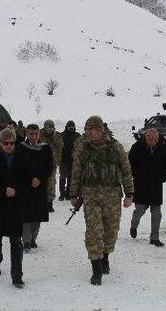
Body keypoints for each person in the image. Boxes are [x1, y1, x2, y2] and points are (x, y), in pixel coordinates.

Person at [71, 116, 134, 285]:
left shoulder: (115, 147)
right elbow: (76, 172)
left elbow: (126, 171)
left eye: (91, 129)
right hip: (91, 196)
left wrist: (129, 193)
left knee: (110, 231)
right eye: (86, 129)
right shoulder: (82, 148)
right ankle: (96, 268)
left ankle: (105, 256)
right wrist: (73, 194)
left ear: (100, 130)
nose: (88, 132)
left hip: (112, 196)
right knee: (94, 232)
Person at [0, 128, 27, 288]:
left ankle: (17, 275)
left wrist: (17, 191)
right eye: (6, 143)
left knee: (16, 241)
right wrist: (2, 190)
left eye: (12, 143)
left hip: (15, 205)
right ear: (0, 143)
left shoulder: (22, 158)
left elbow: (26, 179)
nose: (9, 146)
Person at [128, 128, 166, 247]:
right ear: (145, 137)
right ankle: (133, 226)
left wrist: (163, 177)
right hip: (141, 185)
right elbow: (130, 163)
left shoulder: (161, 148)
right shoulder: (137, 147)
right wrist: (136, 176)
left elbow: (165, 165)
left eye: (155, 139)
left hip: (156, 185)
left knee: (157, 213)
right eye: (150, 139)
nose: (152, 141)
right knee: (140, 210)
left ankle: (154, 237)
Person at [18, 124, 53, 251]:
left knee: (38, 213)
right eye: (31, 134)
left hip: (40, 186)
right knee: (26, 214)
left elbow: (49, 167)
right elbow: (18, 167)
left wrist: (39, 178)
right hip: (26, 186)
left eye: (36, 134)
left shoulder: (45, 148)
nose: (33, 137)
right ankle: (26, 240)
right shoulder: (21, 148)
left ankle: (33, 238)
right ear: (26, 134)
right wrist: (30, 179)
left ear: (39, 135)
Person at [39, 120, 63, 212]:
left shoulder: (57, 136)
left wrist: (53, 137)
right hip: (40, 164)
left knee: (51, 184)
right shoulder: (39, 134)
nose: (50, 129)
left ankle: (49, 204)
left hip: (52, 165)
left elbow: (60, 145)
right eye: (49, 127)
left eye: (52, 127)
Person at [59, 121, 80, 201]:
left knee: (71, 178)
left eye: (72, 126)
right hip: (63, 160)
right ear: (66, 127)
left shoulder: (78, 136)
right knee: (62, 178)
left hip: (73, 161)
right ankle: (61, 194)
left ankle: (68, 194)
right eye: (69, 126)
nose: (71, 127)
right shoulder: (62, 135)